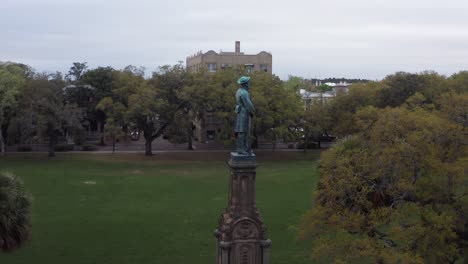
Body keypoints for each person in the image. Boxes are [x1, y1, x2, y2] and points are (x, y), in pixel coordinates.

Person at [234, 76, 255, 155]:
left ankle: (245, 148)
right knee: (243, 131)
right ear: (245, 84)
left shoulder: (238, 91)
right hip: (244, 113)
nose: (249, 84)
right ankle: (241, 149)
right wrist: (252, 111)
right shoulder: (244, 93)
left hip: (240, 112)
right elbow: (249, 104)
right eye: (248, 83)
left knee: (242, 131)